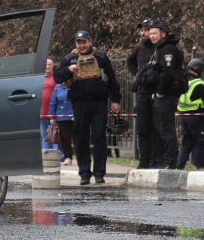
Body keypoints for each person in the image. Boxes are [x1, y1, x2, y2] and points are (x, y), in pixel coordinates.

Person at [53, 29, 121, 185]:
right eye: (79, 42)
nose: (82, 45)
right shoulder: (70, 58)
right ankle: (84, 173)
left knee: (99, 137)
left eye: (84, 42)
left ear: (90, 41)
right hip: (79, 103)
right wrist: (68, 71)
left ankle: (99, 173)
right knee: (81, 138)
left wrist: (116, 100)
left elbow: (111, 79)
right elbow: (57, 77)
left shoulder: (101, 56)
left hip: (99, 102)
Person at [138, 20, 185, 169]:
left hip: (167, 95)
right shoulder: (160, 49)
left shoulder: (168, 49)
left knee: (166, 129)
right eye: (150, 33)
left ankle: (171, 163)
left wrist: (159, 91)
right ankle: (166, 161)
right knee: (160, 129)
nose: (151, 36)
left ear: (163, 34)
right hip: (161, 95)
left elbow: (167, 72)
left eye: (154, 33)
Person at [175, 58, 204, 169]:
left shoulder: (182, 81)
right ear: (199, 71)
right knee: (200, 143)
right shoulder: (198, 83)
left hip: (183, 116)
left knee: (186, 144)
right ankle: (199, 167)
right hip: (196, 117)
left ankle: (179, 167)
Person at [127, 19, 156, 168]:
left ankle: (156, 160)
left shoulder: (160, 49)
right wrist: (138, 75)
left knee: (157, 128)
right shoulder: (139, 49)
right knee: (142, 129)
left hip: (157, 93)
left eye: (146, 30)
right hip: (142, 92)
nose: (143, 33)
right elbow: (130, 62)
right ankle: (144, 161)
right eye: (142, 31)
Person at [47, 77, 74, 163]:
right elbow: (53, 102)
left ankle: (82, 157)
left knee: (78, 137)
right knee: (65, 138)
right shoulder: (58, 87)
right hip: (62, 116)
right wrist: (52, 116)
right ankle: (68, 157)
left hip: (76, 115)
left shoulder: (77, 85)